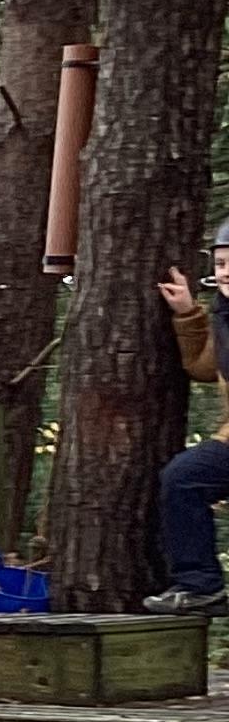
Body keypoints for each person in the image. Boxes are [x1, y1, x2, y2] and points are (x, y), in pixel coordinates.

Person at [145, 219, 229, 614]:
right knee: (183, 479)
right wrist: (188, 313)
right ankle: (200, 587)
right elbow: (203, 366)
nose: (226, 272)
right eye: (222, 263)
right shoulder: (225, 316)